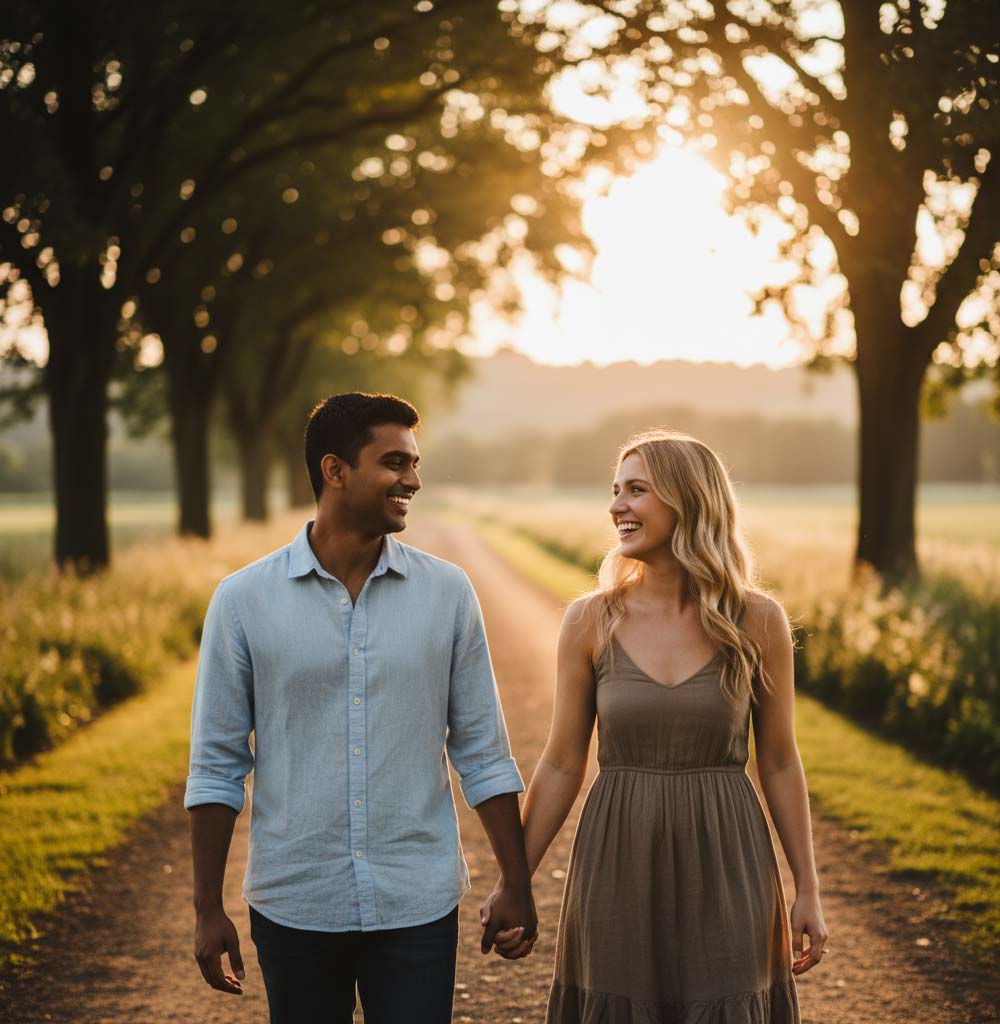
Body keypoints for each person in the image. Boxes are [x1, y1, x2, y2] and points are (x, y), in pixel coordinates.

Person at [185, 392, 537, 1024]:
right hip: (295, 901)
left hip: (416, 903)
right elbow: (216, 765)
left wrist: (516, 882)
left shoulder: (448, 594)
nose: (414, 480)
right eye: (395, 463)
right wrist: (207, 909)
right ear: (335, 470)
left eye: (415, 463)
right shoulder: (242, 601)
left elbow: (483, 751)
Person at [482, 429, 827, 1022]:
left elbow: (778, 760)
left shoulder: (759, 621)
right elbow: (563, 760)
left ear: (687, 499)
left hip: (728, 855)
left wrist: (808, 889)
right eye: (615, 491)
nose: (617, 506)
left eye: (636, 490)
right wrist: (517, 879)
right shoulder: (590, 620)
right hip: (617, 854)